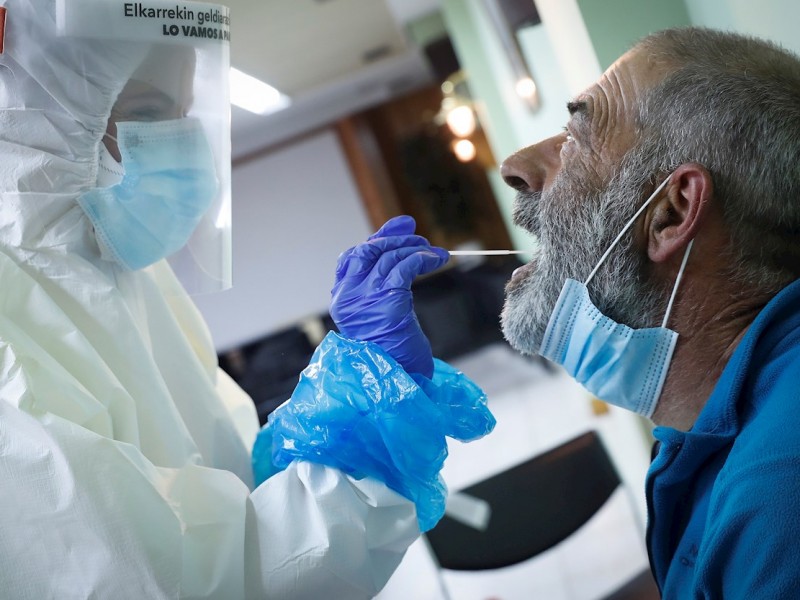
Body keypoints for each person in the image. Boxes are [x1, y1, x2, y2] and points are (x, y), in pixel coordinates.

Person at [0, 1, 493, 598]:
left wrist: (358, 402)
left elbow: (238, 481)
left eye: (185, 115)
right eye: (149, 115)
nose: (185, 148)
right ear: (37, 120)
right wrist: (369, 415)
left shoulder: (129, 278)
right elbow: (198, 582)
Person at [498, 26, 800, 598]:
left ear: (672, 211)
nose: (516, 165)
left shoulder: (782, 503)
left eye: (573, 140)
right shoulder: (717, 422)